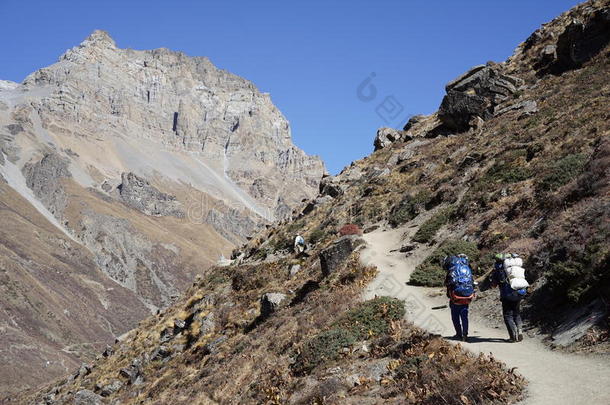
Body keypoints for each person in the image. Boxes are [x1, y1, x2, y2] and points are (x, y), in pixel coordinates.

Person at [490, 253, 525, 342]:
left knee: (508, 315)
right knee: (516, 313)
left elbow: (494, 284)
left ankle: (513, 336)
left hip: (507, 295)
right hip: (519, 292)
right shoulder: (515, 267)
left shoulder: (498, 269)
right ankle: (520, 330)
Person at [443, 254, 476, 342]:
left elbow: (447, 284)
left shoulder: (451, 270)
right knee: (464, 316)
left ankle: (458, 334)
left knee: (455, 316)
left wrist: (448, 294)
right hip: (467, 297)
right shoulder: (467, 268)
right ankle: (465, 334)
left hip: (455, 298)